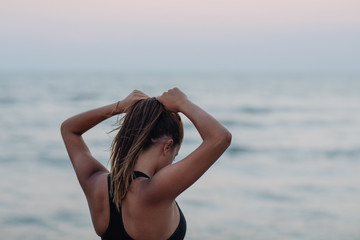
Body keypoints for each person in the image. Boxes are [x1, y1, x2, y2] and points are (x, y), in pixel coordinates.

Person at [61, 88, 232, 240]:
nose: (173, 161)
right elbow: (220, 138)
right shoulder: (156, 190)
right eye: (175, 155)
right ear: (167, 147)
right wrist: (182, 102)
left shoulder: (96, 183)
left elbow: (69, 129)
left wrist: (119, 106)